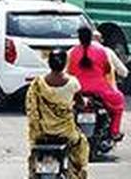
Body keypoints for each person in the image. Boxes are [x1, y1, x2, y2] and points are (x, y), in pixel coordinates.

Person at [26, 49, 90, 179]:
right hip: (66, 132)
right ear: (65, 63)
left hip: (42, 132)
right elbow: (81, 103)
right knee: (81, 144)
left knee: (34, 156)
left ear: (49, 63)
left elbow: (31, 108)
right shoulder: (72, 83)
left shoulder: (38, 83)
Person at [67, 25, 126, 141]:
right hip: (100, 91)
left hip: (77, 90)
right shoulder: (102, 51)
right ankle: (114, 131)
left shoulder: (72, 52)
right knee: (119, 102)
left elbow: (69, 72)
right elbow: (107, 70)